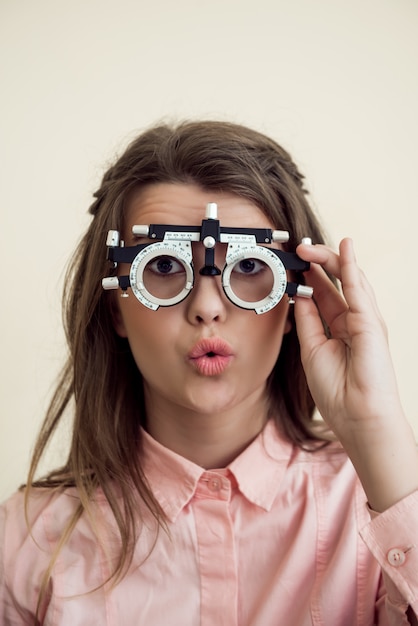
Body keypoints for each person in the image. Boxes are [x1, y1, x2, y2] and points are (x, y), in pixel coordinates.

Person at [1, 120, 417, 626]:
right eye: (163, 266)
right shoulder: (26, 544)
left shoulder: (381, 507)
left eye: (247, 268)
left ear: (292, 301)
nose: (206, 307)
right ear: (115, 309)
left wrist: (377, 430)